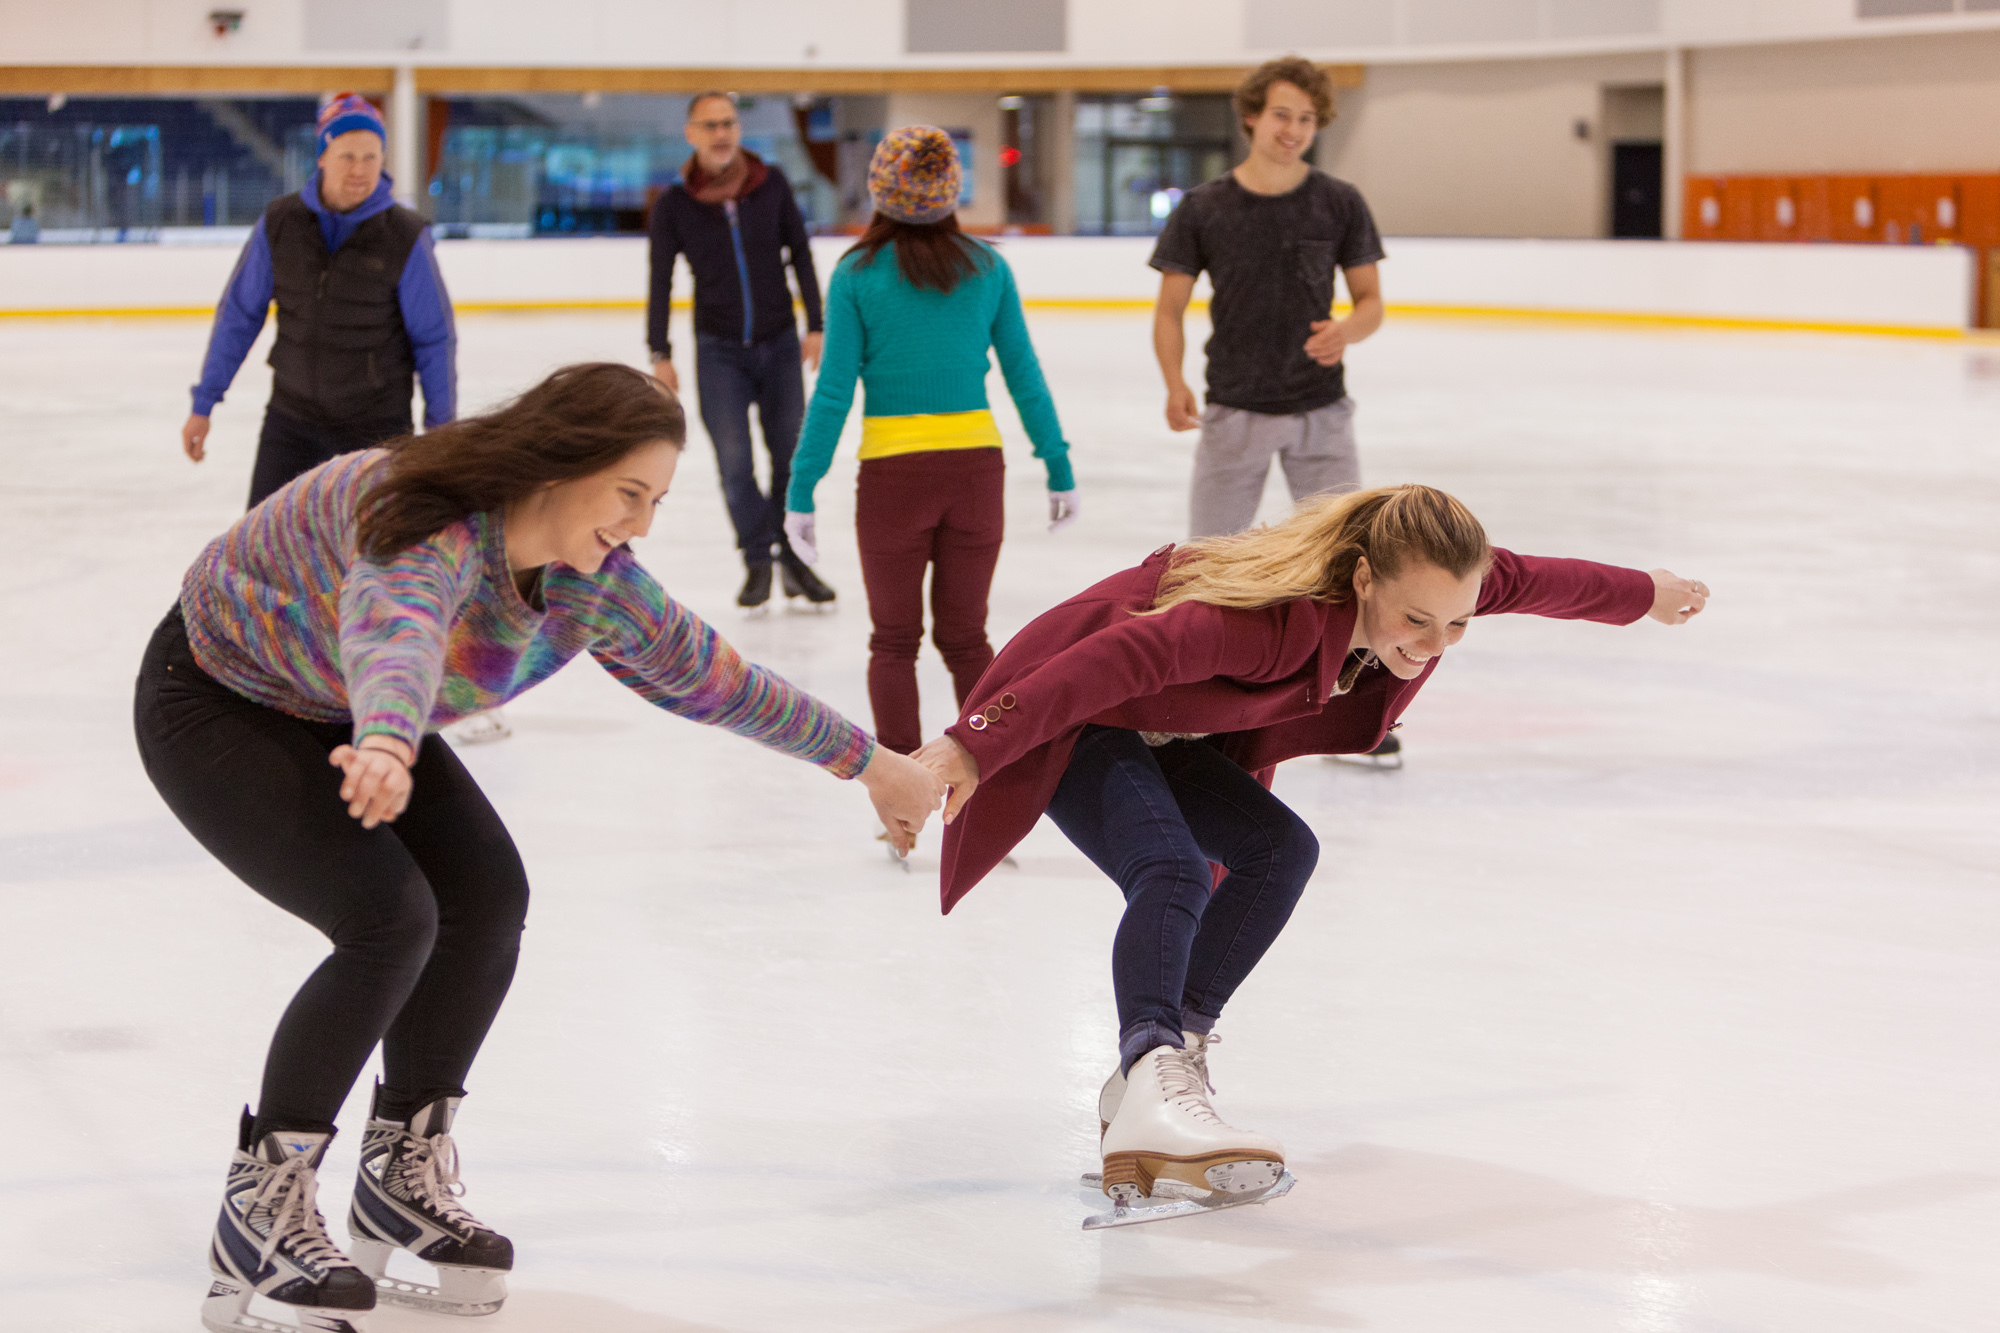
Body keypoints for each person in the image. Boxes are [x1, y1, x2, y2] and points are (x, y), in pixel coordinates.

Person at [135, 363, 943, 1332]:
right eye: (629, 493)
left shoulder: (591, 585)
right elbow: (394, 625)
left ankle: (400, 1168)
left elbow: (715, 678)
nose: (639, 523)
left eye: (654, 500)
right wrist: (390, 736)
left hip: (343, 708)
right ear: (562, 467)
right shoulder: (420, 513)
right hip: (217, 690)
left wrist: (870, 764)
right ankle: (262, 1204)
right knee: (386, 917)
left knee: (485, 895)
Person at [913, 485, 1708, 1217]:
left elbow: (1540, 580)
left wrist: (1648, 594)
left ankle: (1157, 1074)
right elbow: (1113, 661)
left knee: (1279, 849)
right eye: (1417, 621)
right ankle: (1150, 1070)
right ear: (1363, 579)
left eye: (1459, 621)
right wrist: (972, 745)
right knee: (1173, 867)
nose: (1435, 644)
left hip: (1159, 723)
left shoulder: (1437, 581)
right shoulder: (1271, 620)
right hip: (1067, 713)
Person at [783, 125, 1079, 802]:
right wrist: (1057, 463)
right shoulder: (988, 268)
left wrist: (802, 487)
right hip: (977, 474)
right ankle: (992, 780)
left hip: (893, 480)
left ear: (879, 190)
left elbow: (833, 392)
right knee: (966, 636)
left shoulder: (857, 274)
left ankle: (901, 795)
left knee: (893, 641)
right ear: (952, 189)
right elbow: (1023, 375)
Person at [1151, 56, 1393, 767]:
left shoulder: (1339, 201)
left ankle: (1354, 708)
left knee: (1353, 562)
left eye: (1308, 120)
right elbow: (1169, 309)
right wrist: (1173, 381)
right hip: (1234, 410)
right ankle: (1194, 703)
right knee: (1209, 564)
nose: (1294, 130)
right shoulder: (1205, 208)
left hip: (1321, 411)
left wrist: (1350, 328)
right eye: (1282, 115)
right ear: (1252, 115)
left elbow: (1372, 300)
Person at [182, 93, 456, 511]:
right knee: (263, 547)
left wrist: (440, 431)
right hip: (292, 421)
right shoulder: (279, 222)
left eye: (371, 156)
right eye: (348, 155)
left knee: (369, 556)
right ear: (323, 156)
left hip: (375, 428)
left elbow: (434, 339)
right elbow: (239, 315)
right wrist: (204, 403)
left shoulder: (406, 235)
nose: (360, 170)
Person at [648, 90, 834, 612]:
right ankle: (757, 559)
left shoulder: (769, 183)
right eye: (709, 125)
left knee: (791, 460)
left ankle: (794, 561)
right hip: (718, 349)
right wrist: (659, 350)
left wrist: (816, 324)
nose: (722, 133)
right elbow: (659, 280)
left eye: (728, 123)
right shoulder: (676, 204)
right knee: (735, 464)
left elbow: (799, 252)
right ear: (691, 134)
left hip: (778, 344)